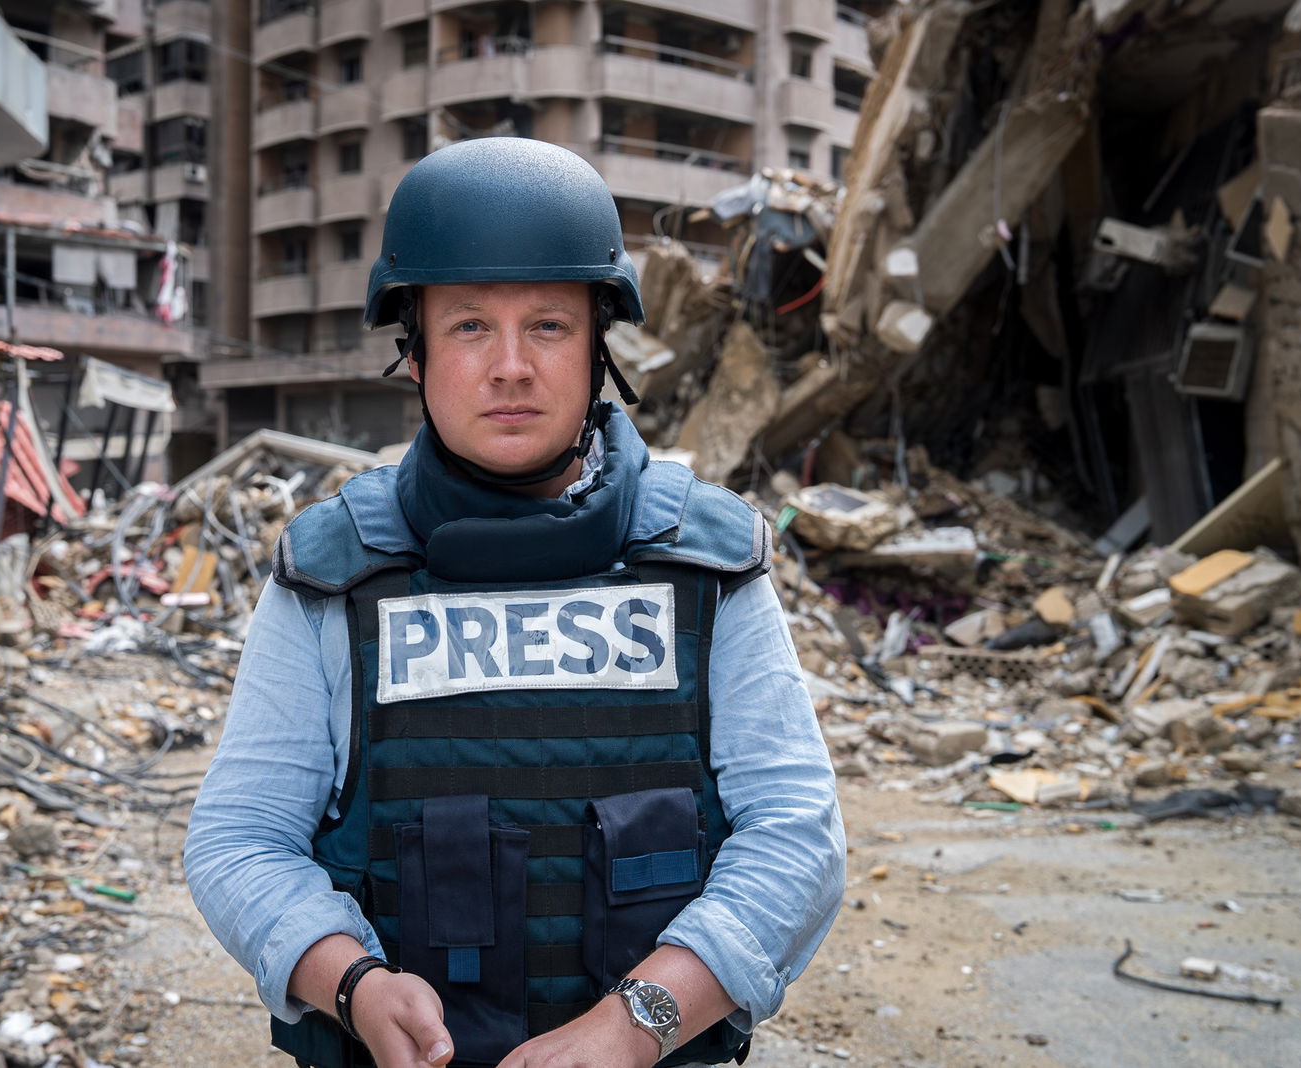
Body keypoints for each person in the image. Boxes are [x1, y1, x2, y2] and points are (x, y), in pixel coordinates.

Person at [185, 137, 845, 1068]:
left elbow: (797, 835)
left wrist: (634, 1027)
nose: (510, 367)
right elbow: (240, 838)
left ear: (596, 346)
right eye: (467, 326)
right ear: (412, 352)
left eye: (547, 325)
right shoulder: (336, 577)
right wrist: (354, 985)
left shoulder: (706, 564)